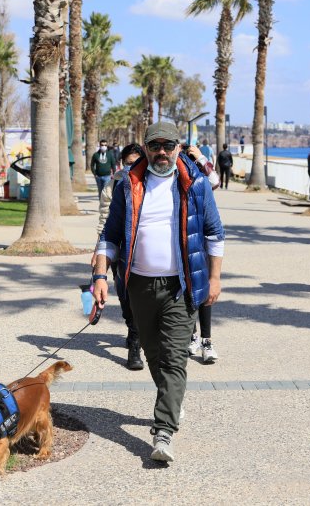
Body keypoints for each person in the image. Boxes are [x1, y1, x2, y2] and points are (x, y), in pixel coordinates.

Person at [93, 121, 225, 462]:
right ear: (147, 148)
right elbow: (110, 234)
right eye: (155, 146)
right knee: (153, 354)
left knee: (175, 357)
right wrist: (100, 277)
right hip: (138, 285)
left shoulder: (195, 183)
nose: (162, 152)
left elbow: (214, 232)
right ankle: (172, 401)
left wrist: (214, 279)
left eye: (168, 145)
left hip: (181, 286)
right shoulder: (128, 184)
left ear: (178, 147)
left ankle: (163, 430)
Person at [93, 143, 144, 370]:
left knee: (139, 296)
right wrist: (99, 252)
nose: (130, 168)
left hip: (142, 249)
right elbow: (104, 220)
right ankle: (132, 325)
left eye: (135, 163)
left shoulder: (150, 183)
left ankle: (135, 343)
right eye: (127, 163)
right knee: (124, 294)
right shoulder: (114, 183)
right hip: (120, 248)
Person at [182, 146, 221, 364]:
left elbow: (215, 181)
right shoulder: (176, 175)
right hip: (184, 241)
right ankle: (193, 336)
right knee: (188, 290)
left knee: (205, 291)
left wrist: (200, 157)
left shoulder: (201, 178)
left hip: (203, 239)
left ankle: (206, 340)